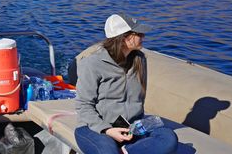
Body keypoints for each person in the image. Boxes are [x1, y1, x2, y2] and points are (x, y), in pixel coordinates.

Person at [75, 13, 178, 154]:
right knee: (108, 151)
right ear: (124, 38)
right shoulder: (92, 64)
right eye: (139, 34)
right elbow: (83, 106)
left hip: (131, 128)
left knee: (168, 138)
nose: (143, 37)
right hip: (95, 127)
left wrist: (136, 127)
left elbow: (139, 100)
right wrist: (108, 129)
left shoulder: (140, 60)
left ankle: (127, 150)